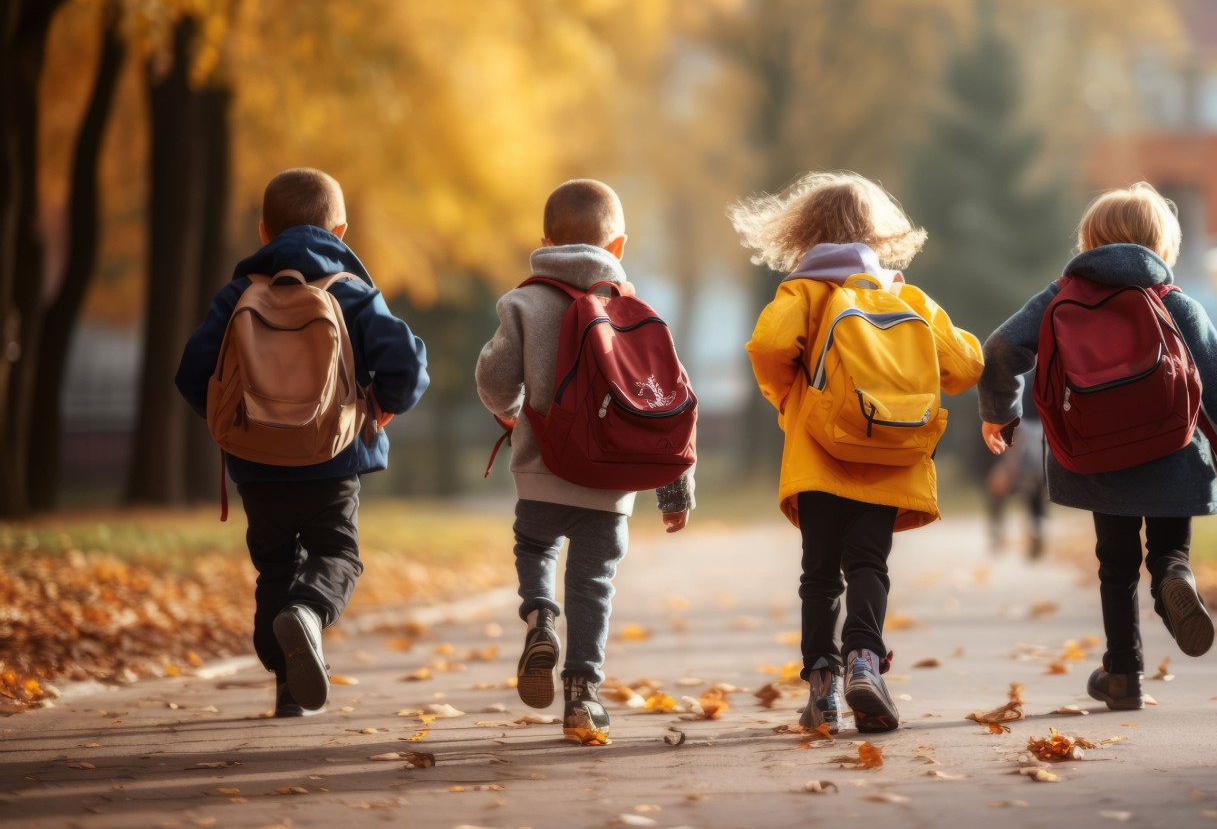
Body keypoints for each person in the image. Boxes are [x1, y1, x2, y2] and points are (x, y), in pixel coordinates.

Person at [978, 181, 1217, 711]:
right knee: (1168, 552)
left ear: (1089, 242)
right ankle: (1174, 579)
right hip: (1171, 451)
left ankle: (1123, 675)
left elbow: (1001, 347)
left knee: (1115, 566)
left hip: (1094, 455)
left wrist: (1000, 413)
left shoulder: (1060, 297)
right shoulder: (1174, 304)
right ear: (1162, 245)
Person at [731, 172, 984, 734]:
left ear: (803, 233)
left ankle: (821, 689)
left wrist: (789, 399)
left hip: (819, 456)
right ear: (879, 233)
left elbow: (771, 346)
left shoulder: (803, 292)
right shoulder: (904, 296)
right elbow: (966, 366)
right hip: (890, 455)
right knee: (869, 563)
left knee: (819, 575)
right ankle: (865, 663)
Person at [176, 167, 429, 718]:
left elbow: (193, 372)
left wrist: (237, 425)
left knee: (275, 568)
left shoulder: (239, 294)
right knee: (336, 554)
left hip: (258, 468)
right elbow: (407, 365)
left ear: (265, 232)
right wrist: (382, 405)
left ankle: (286, 683)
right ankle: (311, 615)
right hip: (331, 460)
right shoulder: (352, 292)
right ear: (340, 230)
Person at [475, 179, 694, 741]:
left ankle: (540, 616)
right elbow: (664, 396)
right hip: (611, 482)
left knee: (536, 546)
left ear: (545, 240)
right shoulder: (634, 310)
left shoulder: (522, 302)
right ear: (617, 247)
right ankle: (583, 697)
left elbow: (497, 382)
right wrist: (674, 488)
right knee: (594, 582)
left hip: (540, 474)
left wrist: (511, 409)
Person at [981, 415, 1049, 559]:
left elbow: (1015, 436)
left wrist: (1007, 469)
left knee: (999, 488)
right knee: (1034, 494)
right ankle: (1036, 530)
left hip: (1026, 462)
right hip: (1039, 459)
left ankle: (999, 532)